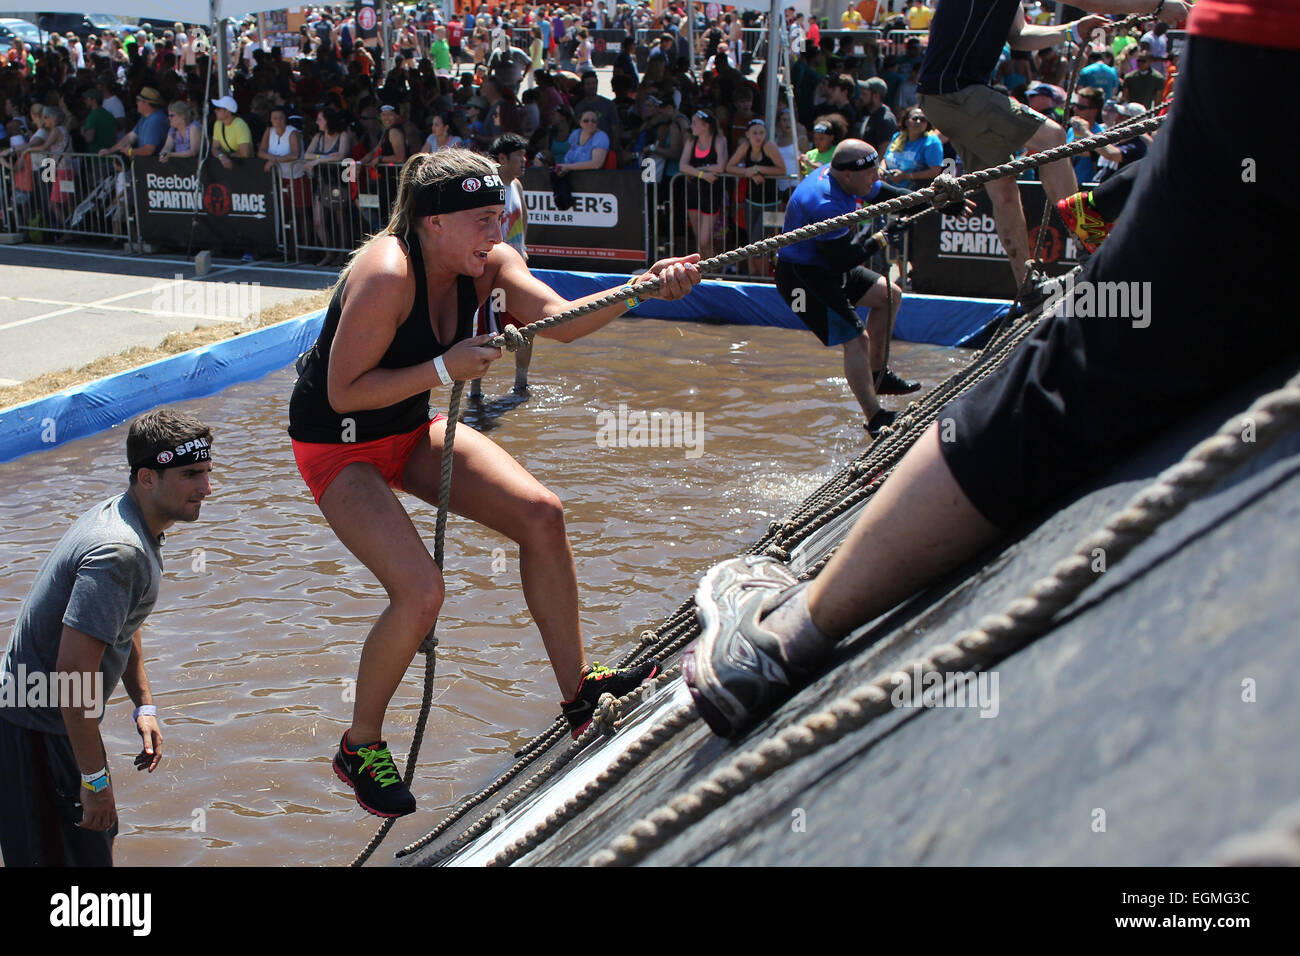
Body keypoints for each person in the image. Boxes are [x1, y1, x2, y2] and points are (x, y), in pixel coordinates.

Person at [680, 0, 1280, 743]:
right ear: (853, 170)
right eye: (866, 170)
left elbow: (1020, 43)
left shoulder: (856, 188)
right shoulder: (825, 196)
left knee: (931, 273)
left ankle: (800, 594)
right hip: (807, 269)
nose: (871, 173)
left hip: (842, 256)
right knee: (909, 321)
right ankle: (794, 629)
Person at [286, 150, 702, 817]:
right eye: (482, 220)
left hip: (405, 427)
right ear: (432, 224)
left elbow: (562, 324)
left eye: (500, 217)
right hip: (339, 448)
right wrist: (446, 368)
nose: (497, 234)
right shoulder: (387, 273)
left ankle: (578, 693)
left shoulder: (492, 267)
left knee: (543, 513)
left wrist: (643, 286)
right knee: (421, 593)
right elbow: (342, 393)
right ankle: (358, 744)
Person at [0, 409, 213, 865]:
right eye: (191, 474)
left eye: (208, 472)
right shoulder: (120, 551)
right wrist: (94, 780)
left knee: (91, 848)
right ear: (147, 477)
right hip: (39, 729)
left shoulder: (128, 516)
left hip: (49, 723)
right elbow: (72, 675)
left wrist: (145, 704)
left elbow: (120, 625)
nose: (206, 488)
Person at [916, 0, 1189, 289]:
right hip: (958, 92)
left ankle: (1027, 285)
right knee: (1053, 137)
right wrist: (1156, 5)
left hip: (942, 97)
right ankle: (1086, 238)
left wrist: (1071, 30)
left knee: (1004, 187)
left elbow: (1018, 35)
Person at [775, 140, 925, 439]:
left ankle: (877, 376)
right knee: (856, 340)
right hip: (802, 278)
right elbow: (840, 261)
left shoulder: (848, 178)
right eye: (871, 172)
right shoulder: (826, 203)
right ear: (847, 175)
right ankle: (875, 417)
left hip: (827, 264)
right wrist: (883, 238)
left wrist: (937, 199)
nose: (876, 177)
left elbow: (890, 195)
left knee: (889, 295)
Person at [473, 133, 534, 398]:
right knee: (486, 334)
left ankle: (521, 385)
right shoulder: (488, 190)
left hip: (518, 270)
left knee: (529, 327)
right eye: (519, 156)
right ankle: (473, 391)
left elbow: (525, 217)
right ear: (502, 158)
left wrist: (524, 249)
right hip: (492, 274)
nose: (524, 161)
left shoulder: (517, 185)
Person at [725, 117, 786, 278]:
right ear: (747, 134)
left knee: (760, 244)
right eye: (755, 133)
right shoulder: (745, 147)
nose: (758, 136)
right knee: (752, 243)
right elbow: (729, 167)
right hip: (751, 202)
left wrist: (758, 169)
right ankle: (755, 276)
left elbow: (782, 170)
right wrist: (750, 172)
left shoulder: (769, 146)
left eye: (761, 133)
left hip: (772, 203)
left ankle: (763, 278)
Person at [680, 109, 729, 262]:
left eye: (695, 123)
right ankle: (705, 273)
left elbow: (721, 166)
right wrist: (703, 173)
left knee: (704, 239)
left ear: (706, 126)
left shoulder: (719, 140)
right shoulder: (691, 141)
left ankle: (712, 270)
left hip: (711, 194)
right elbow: (682, 166)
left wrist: (698, 169)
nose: (691, 126)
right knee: (699, 240)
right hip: (694, 192)